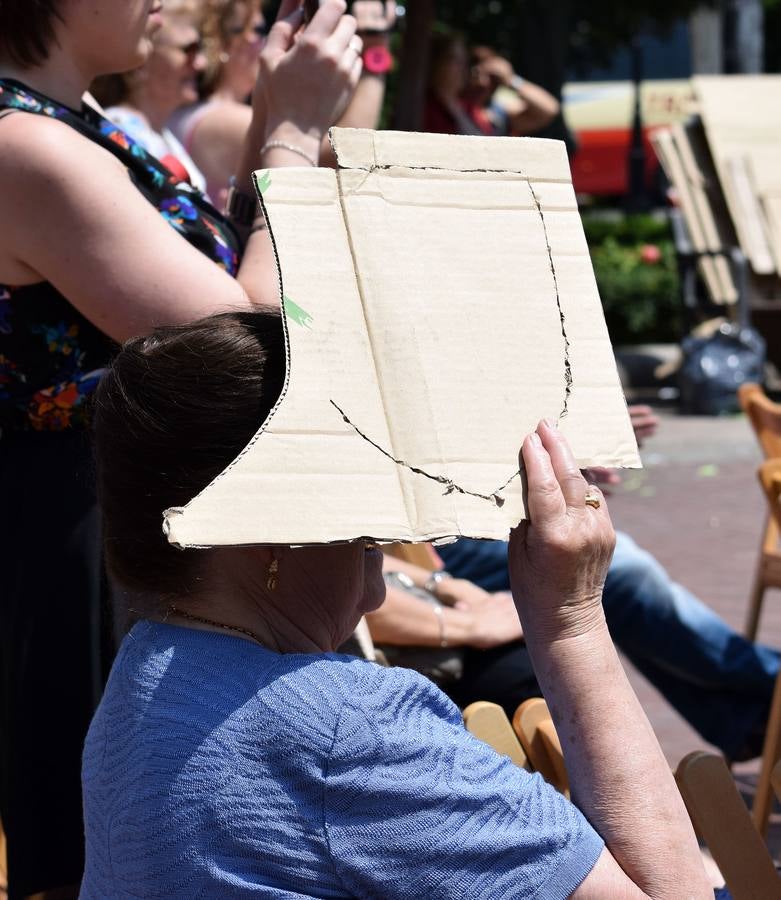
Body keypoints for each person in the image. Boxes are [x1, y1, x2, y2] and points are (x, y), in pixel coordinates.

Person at [82, 309, 713, 898]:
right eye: (364, 542)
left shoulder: (147, 668)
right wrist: (569, 619)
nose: (377, 588)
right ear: (268, 534)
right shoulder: (343, 729)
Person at [0, 0, 361, 894]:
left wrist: (279, 120)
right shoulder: (26, 148)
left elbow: (225, 271)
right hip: (87, 553)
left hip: (117, 529)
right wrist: (293, 132)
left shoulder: (65, 127)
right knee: (125, 854)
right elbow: (247, 349)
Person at [373, 406, 777, 761]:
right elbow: (366, 592)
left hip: (435, 540)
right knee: (612, 575)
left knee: (604, 573)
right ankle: (765, 699)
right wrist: (469, 623)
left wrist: (565, 442)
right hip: (423, 552)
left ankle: (757, 717)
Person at [171, 0, 395, 205]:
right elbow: (342, 153)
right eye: (259, 30)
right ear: (224, 44)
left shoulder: (208, 114)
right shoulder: (215, 119)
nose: (267, 39)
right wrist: (375, 49)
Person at [93, 0, 210, 193]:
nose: (201, 63)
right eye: (188, 50)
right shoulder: (119, 130)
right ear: (145, 58)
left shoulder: (161, 133)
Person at [423, 30, 559, 138]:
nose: (483, 83)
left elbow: (549, 109)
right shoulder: (425, 107)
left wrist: (512, 80)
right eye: (475, 74)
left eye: (493, 78)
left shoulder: (489, 113)